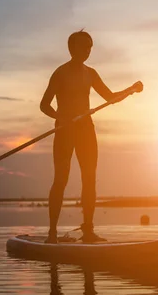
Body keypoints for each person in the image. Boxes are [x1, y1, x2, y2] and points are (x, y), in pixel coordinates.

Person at [40, 30, 138, 244]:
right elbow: (44, 105)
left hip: (86, 130)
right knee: (61, 180)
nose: (87, 51)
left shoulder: (91, 73)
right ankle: (52, 234)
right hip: (64, 131)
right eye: (83, 47)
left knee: (90, 179)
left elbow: (110, 98)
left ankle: (88, 231)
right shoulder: (60, 73)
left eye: (90, 47)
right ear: (71, 48)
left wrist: (130, 90)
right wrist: (60, 117)